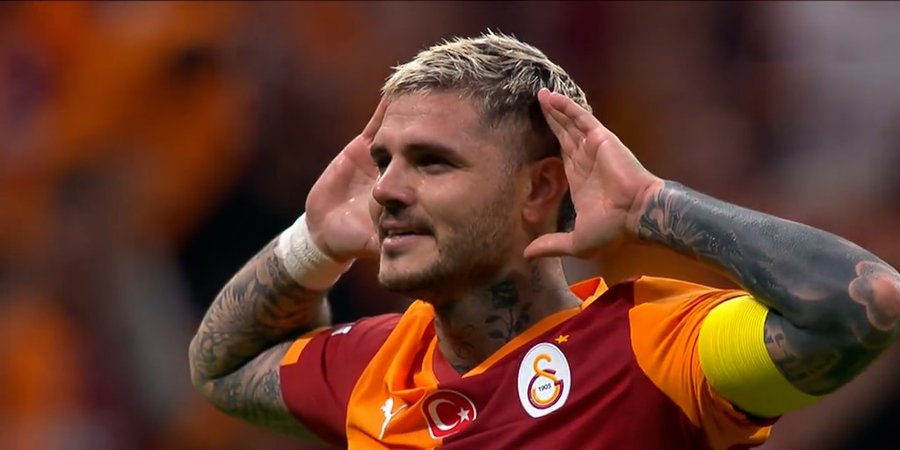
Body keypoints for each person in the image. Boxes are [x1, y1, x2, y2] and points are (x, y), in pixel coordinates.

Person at [188, 32, 900, 449]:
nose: (387, 190)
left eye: (432, 162)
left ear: (538, 190)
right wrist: (312, 242)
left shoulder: (648, 348)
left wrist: (654, 205)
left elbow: (861, 305)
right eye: (384, 162)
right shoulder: (377, 364)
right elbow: (220, 369)